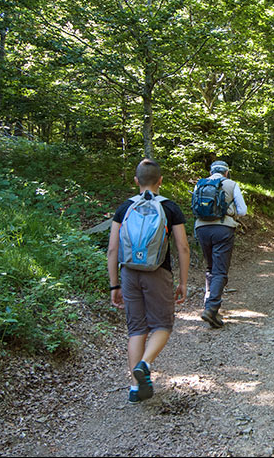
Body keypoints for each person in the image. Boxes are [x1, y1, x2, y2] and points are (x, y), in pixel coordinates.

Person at [107, 158, 190, 404]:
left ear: (136, 181)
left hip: (129, 272)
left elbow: (112, 250)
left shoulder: (124, 208)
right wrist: (183, 282)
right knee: (162, 325)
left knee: (136, 329)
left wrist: (114, 285)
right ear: (160, 181)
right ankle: (145, 363)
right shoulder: (170, 207)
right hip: (158, 272)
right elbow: (182, 247)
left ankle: (135, 388)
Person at [195, 160, 247, 329]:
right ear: (226, 172)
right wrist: (230, 213)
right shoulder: (231, 184)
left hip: (201, 228)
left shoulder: (200, 185)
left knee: (210, 268)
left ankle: (209, 306)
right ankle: (211, 309)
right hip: (223, 229)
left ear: (211, 172)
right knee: (220, 271)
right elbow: (243, 210)